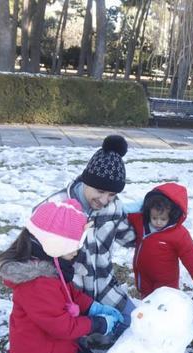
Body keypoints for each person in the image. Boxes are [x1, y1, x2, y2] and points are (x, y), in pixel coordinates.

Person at [0, 199, 125, 353]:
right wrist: (97, 324)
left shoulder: (51, 265)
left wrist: (93, 307)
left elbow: (68, 293)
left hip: (57, 345)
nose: (77, 251)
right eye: (73, 245)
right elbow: (62, 326)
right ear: (54, 244)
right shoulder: (37, 283)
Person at [38, 135, 138, 330]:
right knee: (71, 340)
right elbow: (32, 247)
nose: (104, 200)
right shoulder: (57, 206)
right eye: (100, 191)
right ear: (86, 181)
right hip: (70, 293)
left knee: (136, 324)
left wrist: (155, 225)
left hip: (104, 286)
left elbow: (129, 237)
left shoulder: (113, 207)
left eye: (112, 194)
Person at [127, 183, 193, 297]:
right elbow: (124, 215)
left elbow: (189, 253)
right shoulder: (141, 222)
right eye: (154, 218)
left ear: (173, 215)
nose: (158, 222)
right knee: (146, 299)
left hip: (166, 281)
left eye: (163, 219)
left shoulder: (178, 233)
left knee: (164, 302)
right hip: (144, 275)